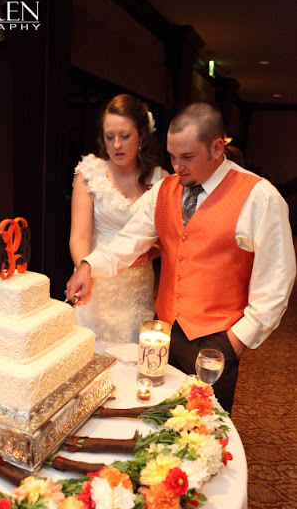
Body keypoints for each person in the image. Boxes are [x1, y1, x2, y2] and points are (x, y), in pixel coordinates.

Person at [66, 102, 296, 413]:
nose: (177, 167)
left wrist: (239, 339)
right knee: (158, 417)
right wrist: (89, 266)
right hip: (164, 332)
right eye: (172, 156)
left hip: (217, 338)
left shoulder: (260, 196)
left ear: (217, 148)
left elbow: (277, 278)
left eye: (187, 157)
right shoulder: (163, 190)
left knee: (206, 428)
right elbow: (128, 242)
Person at [69, 94, 169, 343]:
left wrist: (150, 253)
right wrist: (85, 271)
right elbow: (79, 236)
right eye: (109, 137)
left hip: (136, 286)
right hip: (95, 282)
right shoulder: (89, 175)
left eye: (125, 136)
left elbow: (168, 241)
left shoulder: (161, 180)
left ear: (141, 135)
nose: (116, 145)